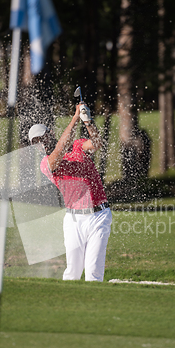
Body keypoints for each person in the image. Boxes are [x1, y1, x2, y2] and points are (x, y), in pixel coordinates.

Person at [28, 102, 112, 282]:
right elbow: (59, 150)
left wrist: (88, 121)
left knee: (93, 274)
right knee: (72, 273)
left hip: (99, 216)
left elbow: (97, 144)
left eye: (42, 138)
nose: (40, 144)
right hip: (74, 220)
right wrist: (75, 118)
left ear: (50, 134)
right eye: (35, 142)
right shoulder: (46, 164)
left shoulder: (78, 146)